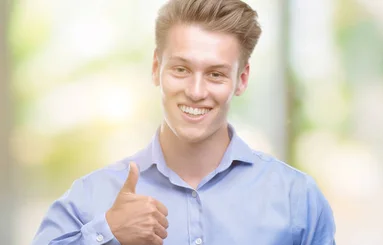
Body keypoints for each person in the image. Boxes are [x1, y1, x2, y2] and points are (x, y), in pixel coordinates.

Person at [31, 0, 336, 244]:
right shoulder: (91, 198)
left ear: (241, 80)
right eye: (181, 69)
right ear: (156, 68)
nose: (196, 91)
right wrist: (107, 233)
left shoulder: (297, 199)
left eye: (215, 74)